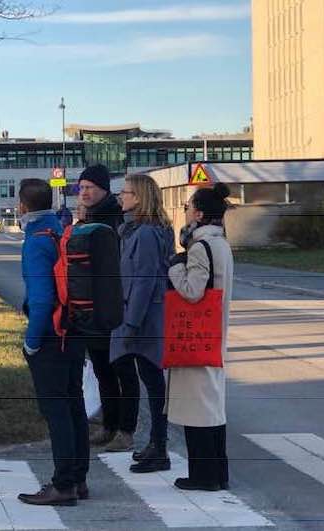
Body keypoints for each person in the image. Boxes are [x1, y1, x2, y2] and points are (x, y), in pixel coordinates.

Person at [16, 178, 89, 507]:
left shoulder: (36, 241)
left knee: (56, 410)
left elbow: (43, 300)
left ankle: (62, 485)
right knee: (74, 405)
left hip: (50, 335)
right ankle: (78, 479)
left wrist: (31, 342)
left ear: (22, 207)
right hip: (73, 330)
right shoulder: (61, 231)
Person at [166, 183, 234, 491]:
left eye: (188, 207)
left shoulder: (199, 247)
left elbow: (193, 291)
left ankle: (202, 476)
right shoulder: (221, 243)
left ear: (199, 213)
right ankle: (218, 473)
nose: (186, 212)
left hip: (196, 336)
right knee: (212, 408)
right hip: (215, 335)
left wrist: (174, 270)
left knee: (197, 409)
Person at [110, 174, 174, 473]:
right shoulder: (137, 230)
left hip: (144, 320)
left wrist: (131, 323)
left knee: (153, 383)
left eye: (125, 192)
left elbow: (145, 281)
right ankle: (155, 444)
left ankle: (159, 447)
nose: (120, 196)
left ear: (138, 198)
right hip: (140, 317)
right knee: (151, 382)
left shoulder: (146, 234)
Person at [75, 165, 139, 453]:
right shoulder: (88, 217)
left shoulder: (115, 217)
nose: (85, 192)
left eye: (90, 187)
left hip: (114, 305)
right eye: (82, 187)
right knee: (102, 369)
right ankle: (109, 426)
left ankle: (126, 430)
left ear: (104, 189)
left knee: (123, 370)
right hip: (93, 307)